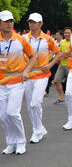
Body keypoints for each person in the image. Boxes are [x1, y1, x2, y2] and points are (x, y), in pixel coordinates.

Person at [0, 10, 37, 155]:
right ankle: (11, 142)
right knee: (3, 115)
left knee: (12, 113)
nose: (9, 23)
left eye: (11, 21)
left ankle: (21, 141)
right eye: (6, 21)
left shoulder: (21, 40)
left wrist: (26, 71)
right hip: (2, 82)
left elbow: (32, 57)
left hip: (17, 80)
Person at [24, 13, 61, 144]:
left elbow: (58, 54)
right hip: (28, 76)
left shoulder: (47, 39)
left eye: (34, 22)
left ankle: (36, 131)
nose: (31, 24)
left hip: (42, 74)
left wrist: (50, 65)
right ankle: (40, 129)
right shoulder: (24, 38)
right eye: (30, 22)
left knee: (35, 103)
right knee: (30, 106)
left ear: (41, 24)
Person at [53, 27, 72, 105]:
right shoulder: (62, 42)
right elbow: (59, 52)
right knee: (56, 80)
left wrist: (65, 54)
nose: (67, 34)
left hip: (71, 66)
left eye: (68, 33)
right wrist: (59, 56)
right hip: (62, 65)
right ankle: (61, 98)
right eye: (65, 33)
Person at [45, 30, 63, 96]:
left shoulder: (63, 42)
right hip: (54, 60)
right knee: (50, 75)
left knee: (62, 78)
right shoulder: (54, 42)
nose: (56, 36)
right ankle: (46, 90)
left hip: (62, 61)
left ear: (61, 36)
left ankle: (65, 90)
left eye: (57, 35)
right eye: (56, 35)